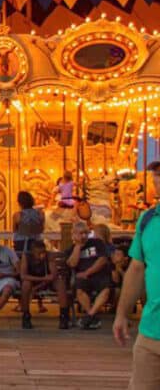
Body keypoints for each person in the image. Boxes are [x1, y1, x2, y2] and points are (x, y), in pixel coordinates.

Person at [114, 161, 160, 389]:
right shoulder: (148, 219)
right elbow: (136, 269)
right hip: (151, 330)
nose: (158, 180)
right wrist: (122, 313)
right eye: (157, 175)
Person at [66, 221, 111, 330]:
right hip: (83, 278)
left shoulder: (97, 243)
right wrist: (78, 247)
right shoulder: (71, 249)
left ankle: (89, 316)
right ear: (74, 234)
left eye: (86, 233)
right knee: (80, 291)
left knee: (106, 290)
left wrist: (88, 272)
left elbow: (103, 260)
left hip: (99, 274)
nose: (84, 236)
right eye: (80, 233)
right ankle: (92, 317)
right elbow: (72, 263)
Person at [19, 240, 69, 329]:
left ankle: (63, 316)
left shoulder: (49, 256)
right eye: (39, 253)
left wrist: (39, 285)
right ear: (33, 252)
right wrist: (41, 280)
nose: (42, 255)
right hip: (34, 280)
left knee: (60, 284)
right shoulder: (26, 256)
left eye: (43, 252)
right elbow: (23, 276)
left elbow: (53, 275)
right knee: (26, 285)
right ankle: (26, 315)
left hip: (47, 282)